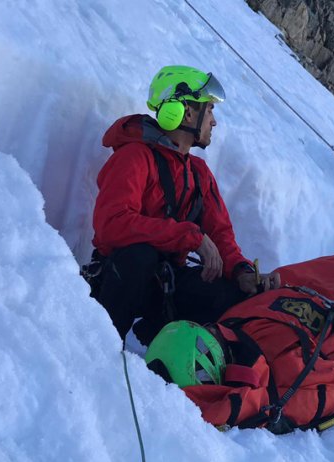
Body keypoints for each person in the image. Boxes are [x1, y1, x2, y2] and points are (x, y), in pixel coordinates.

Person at [89, 65, 280, 346]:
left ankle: (176, 360)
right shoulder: (134, 157)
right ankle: (98, 348)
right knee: (138, 256)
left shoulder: (199, 172)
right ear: (186, 111)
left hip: (168, 282)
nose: (213, 121)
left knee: (233, 296)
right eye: (210, 110)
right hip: (123, 279)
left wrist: (242, 273)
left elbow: (221, 235)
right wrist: (189, 236)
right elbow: (112, 225)